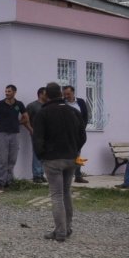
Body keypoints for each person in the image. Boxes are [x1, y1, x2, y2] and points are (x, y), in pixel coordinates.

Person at [32, 82, 86, 241]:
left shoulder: (43, 113)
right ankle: (67, 228)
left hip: (52, 159)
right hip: (71, 158)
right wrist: (74, 149)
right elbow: (83, 136)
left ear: (46, 95)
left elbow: (38, 138)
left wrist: (42, 155)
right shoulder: (73, 112)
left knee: (56, 195)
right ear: (61, 95)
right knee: (66, 193)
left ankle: (60, 232)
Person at [0, 84, 29, 192]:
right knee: (2, 160)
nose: (7, 93)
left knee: (12, 159)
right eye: (6, 91)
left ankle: (9, 182)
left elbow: (26, 118)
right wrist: (1, 125)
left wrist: (16, 123)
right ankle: (0, 183)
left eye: (9, 91)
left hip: (15, 134)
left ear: (14, 92)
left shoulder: (19, 104)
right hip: (2, 134)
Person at [62, 85, 91, 183]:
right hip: (65, 133)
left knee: (77, 155)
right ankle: (64, 176)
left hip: (78, 133)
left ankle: (78, 176)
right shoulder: (62, 103)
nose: (66, 96)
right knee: (64, 154)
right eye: (64, 94)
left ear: (73, 93)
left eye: (68, 94)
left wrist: (82, 129)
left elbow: (86, 116)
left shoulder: (81, 102)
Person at [24, 87, 47, 184]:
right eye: (46, 94)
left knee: (44, 155)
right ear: (40, 94)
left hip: (47, 134)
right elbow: (25, 119)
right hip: (36, 133)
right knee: (37, 153)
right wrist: (30, 129)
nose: (48, 96)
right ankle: (36, 175)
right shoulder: (32, 106)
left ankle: (41, 174)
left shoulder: (48, 106)